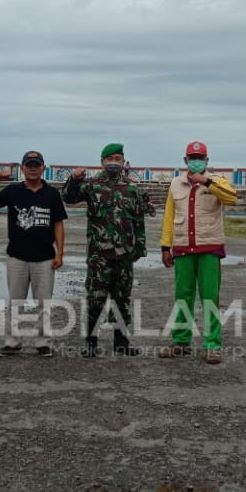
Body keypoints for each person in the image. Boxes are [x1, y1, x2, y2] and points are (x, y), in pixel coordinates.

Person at [62, 142, 147, 358]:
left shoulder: (132, 188)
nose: (114, 162)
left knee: (122, 299)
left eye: (118, 159)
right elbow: (69, 197)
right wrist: (75, 179)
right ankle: (91, 341)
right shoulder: (92, 186)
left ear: (123, 161)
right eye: (110, 159)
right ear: (102, 162)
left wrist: (140, 247)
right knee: (95, 299)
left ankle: (121, 340)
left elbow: (138, 220)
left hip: (124, 255)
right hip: (99, 255)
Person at [0, 151, 66, 358]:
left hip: (45, 258)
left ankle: (43, 343)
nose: (33, 168)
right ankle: (12, 342)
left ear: (43, 167)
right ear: (23, 168)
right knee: (15, 302)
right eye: (29, 165)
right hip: (17, 257)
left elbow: (58, 224)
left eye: (37, 165)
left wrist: (60, 254)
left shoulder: (52, 194)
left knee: (43, 303)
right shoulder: (13, 191)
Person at [159, 141, 238, 364]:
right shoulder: (175, 184)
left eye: (200, 158)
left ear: (206, 160)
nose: (196, 161)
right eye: (192, 158)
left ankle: (213, 345)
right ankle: (181, 342)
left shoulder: (218, 181)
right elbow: (169, 216)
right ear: (185, 160)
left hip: (209, 248)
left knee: (210, 297)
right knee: (183, 296)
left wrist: (206, 182)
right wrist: (165, 246)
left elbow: (231, 198)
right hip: (183, 247)